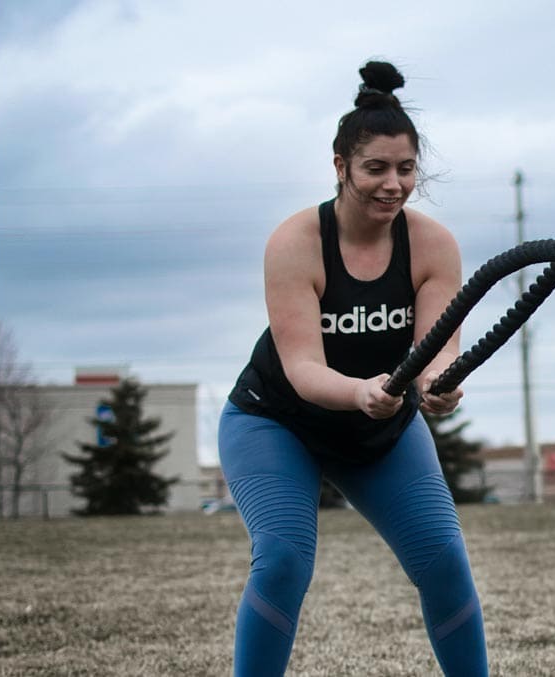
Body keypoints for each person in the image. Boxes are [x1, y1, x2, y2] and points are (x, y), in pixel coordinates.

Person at [218, 61, 489, 676]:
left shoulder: (433, 245)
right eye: (375, 168)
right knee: (284, 559)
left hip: (380, 428)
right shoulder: (295, 242)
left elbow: (435, 349)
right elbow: (302, 367)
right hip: (275, 421)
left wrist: (439, 383)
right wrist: (360, 390)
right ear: (340, 166)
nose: (393, 184)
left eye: (406, 168)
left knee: (444, 559)